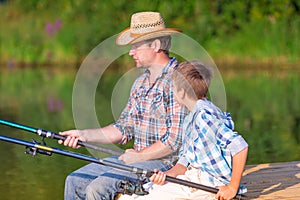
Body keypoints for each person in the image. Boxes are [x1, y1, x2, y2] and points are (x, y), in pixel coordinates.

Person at [58, 11, 188, 200]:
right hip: (137, 158)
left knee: (98, 188)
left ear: (156, 45)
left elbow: (174, 142)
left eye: (136, 46)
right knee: (75, 179)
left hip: (165, 163)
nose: (130, 52)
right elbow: (123, 129)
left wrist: (139, 156)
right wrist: (83, 135)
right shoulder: (141, 83)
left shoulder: (178, 81)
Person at [121, 60, 248, 200]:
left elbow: (239, 146)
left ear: (181, 92)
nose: (172, 92)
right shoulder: (191, 117)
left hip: (208, 184)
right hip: (191, 178)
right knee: (143, 190)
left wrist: (232, 187)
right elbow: (184, 162)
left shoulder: (204, 116)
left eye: (173, 88)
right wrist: (165, 176)